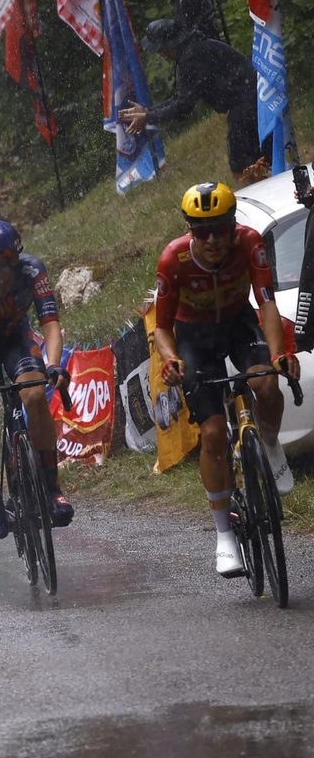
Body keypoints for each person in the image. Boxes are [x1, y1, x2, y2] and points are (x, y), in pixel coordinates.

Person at [152, 182, 300, 577]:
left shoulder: (250, 243)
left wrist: (278, 353)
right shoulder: (173, 258)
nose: (214, 239)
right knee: (214, 433)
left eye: (221, 228)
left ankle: (269, 444)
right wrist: (170, 360)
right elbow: (162, 327)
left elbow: (266, 301)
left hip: (237, 324)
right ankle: (224, 536)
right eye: (202, 231)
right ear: (190, 230)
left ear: (234, 225)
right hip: (193, 339)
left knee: (266, 382)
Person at [0, 220, 74, 539]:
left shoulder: (32, 271)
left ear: (12, 261)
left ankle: (51, 487)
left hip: (16, 339)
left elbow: (49, 322)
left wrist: (53, 365)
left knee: (35, 396)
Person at [118, 20, 274, 185]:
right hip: (251, 101)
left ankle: (259, 195)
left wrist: (148, 117)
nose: (161, 54)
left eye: (160, 50)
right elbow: (180, 98)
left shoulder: (192, 57)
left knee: (243, 166)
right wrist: (147, 112)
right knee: (253, 161)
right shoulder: (191, 49)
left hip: (247, 104)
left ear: (165, 48)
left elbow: (183, 106)